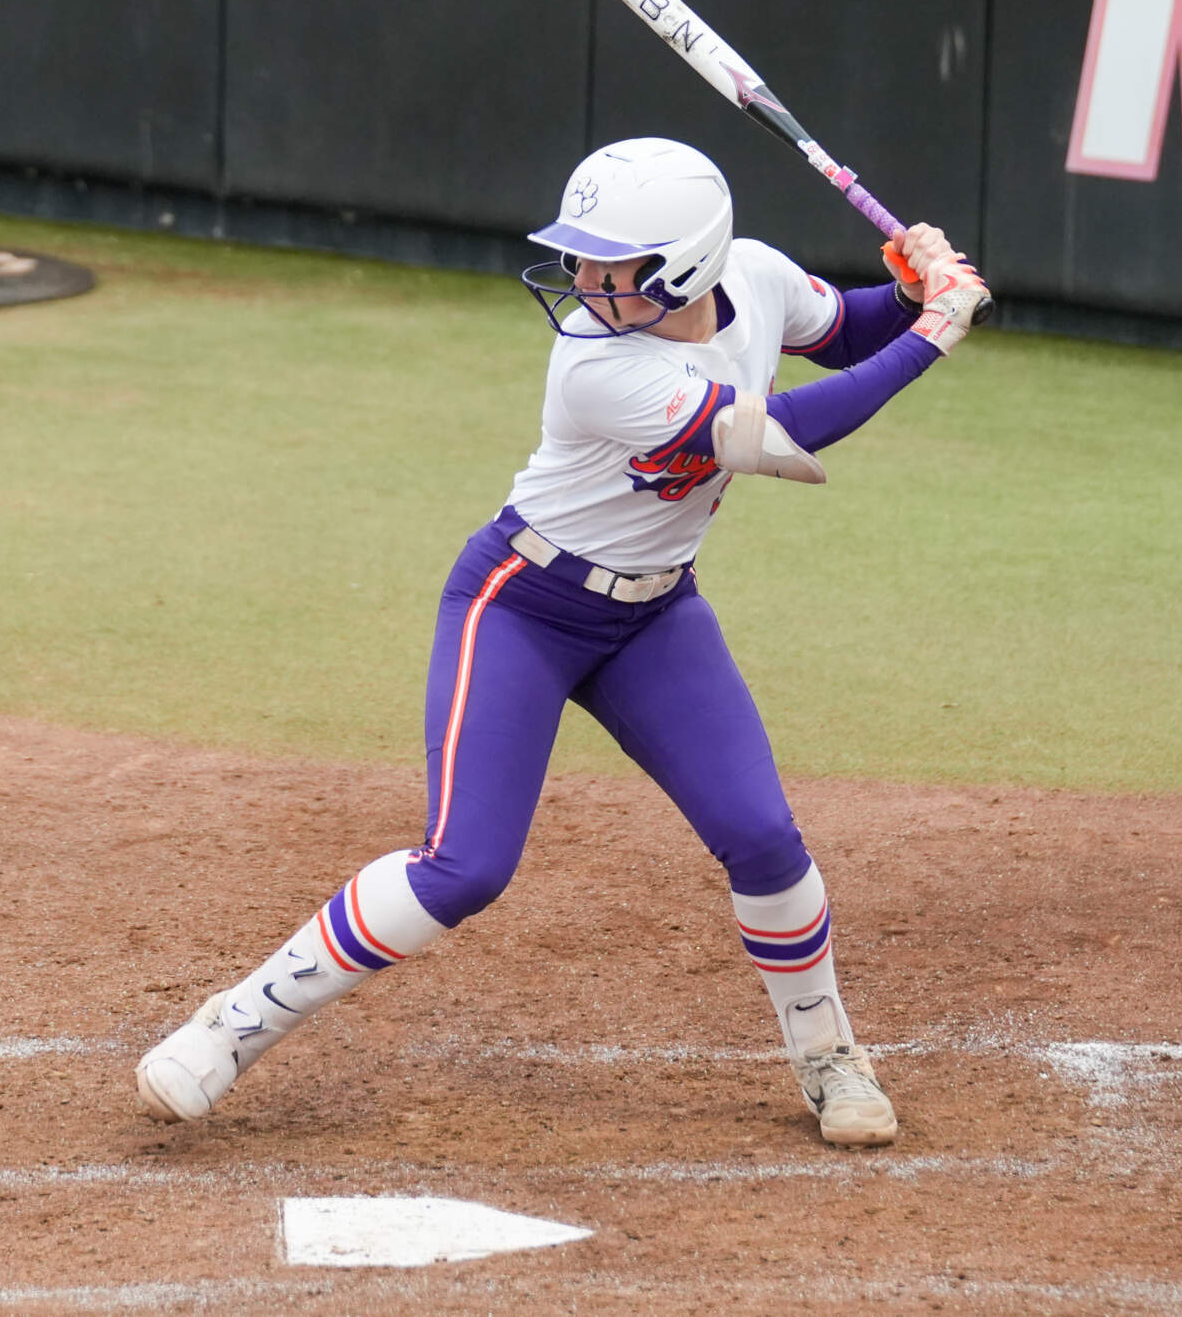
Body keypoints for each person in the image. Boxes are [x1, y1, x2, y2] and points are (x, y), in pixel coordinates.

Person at [135, 137, 990, 1147]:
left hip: (654, 615)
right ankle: (231, 1026)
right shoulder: (597, 361)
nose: (583, 279)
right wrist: (936, 328)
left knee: (763, 837)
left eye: (608, 263)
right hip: (522, 603)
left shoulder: (756, 274)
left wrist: (908, 290)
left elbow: (841, 329)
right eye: (580, 256)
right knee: (464, 867)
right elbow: (789, 429)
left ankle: (828, 1054)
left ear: (686, 265)